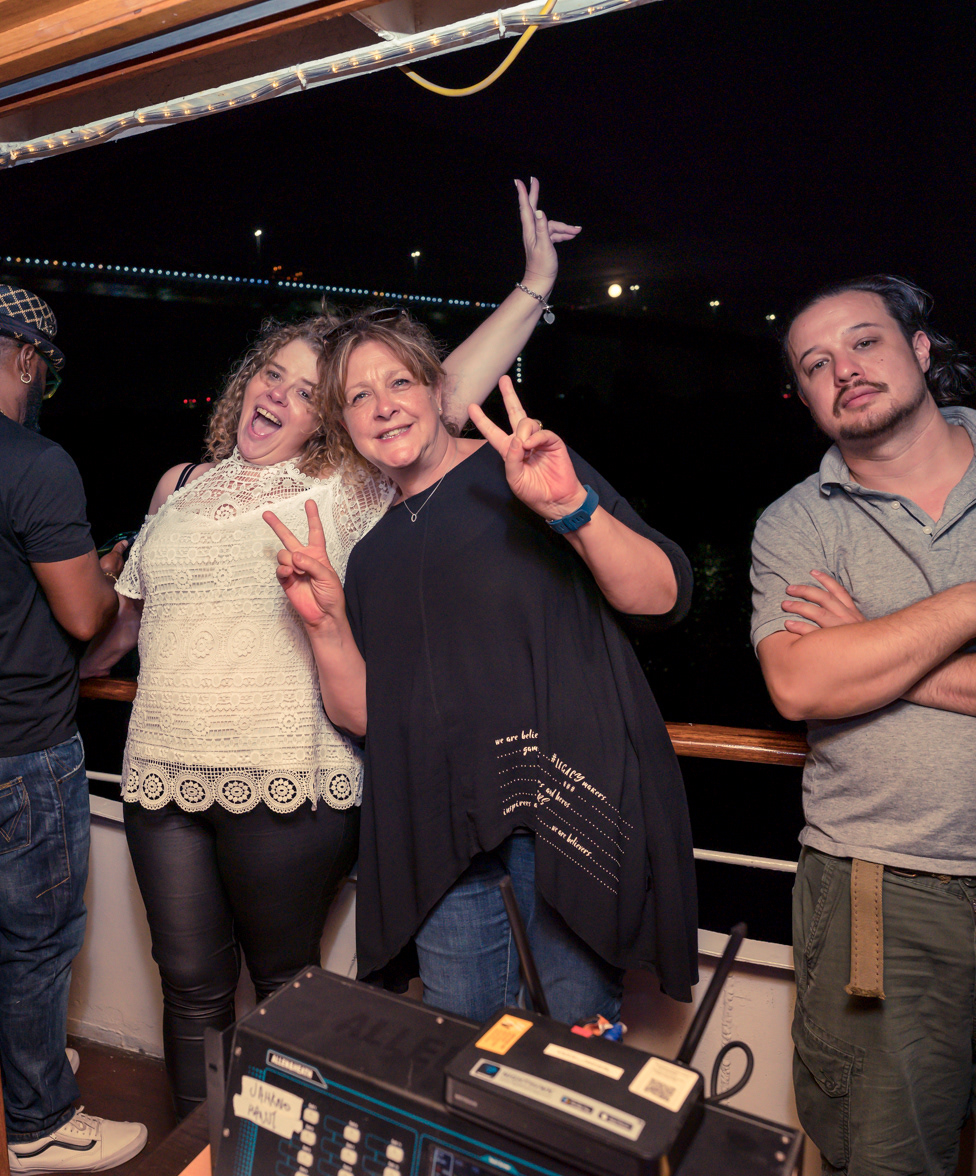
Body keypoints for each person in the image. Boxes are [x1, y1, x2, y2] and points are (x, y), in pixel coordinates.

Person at [80, 182, 579, 1116]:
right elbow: (126, 629)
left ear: (326, 422)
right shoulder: (179, 483)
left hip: (287, 773)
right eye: (272, 374)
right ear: (247, 380)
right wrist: (40, 675)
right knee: (188, 986)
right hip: (159, 769)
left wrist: (532, 285)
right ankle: (204, 1161)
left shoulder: (348, 485)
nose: (279, 395)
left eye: (309, 393)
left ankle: (278, 1160)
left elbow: (443, 393)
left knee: (283, 987)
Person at [267, 311, 699, 1027]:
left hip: (560, 810)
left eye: (398, 382)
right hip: (439, 834)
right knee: (457, 1044)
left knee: (567, 1043)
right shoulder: (371, 555)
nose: (383, 406)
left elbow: (661, 597)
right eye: (358, 396)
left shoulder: (525, 474)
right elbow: (365, 717)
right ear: (344, 425)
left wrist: (570, 507)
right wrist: (326, 625)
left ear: (438, 390)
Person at [748, 276, 976, 1176]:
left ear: (918, 348)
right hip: (880, 890)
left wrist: (873, 644)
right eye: (815, 363)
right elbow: (801, 683)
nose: (844, 370)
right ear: (803, 396)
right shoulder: (796, 522)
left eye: (863, 342)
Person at [0, 283, 147, 1174]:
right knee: (36, 938)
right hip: (21, 746)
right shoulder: (35, 462)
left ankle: (11, 1073)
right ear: (27, 362)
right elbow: (83, 616)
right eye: (44, 380)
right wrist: (107, 573)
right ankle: (38, 1123)